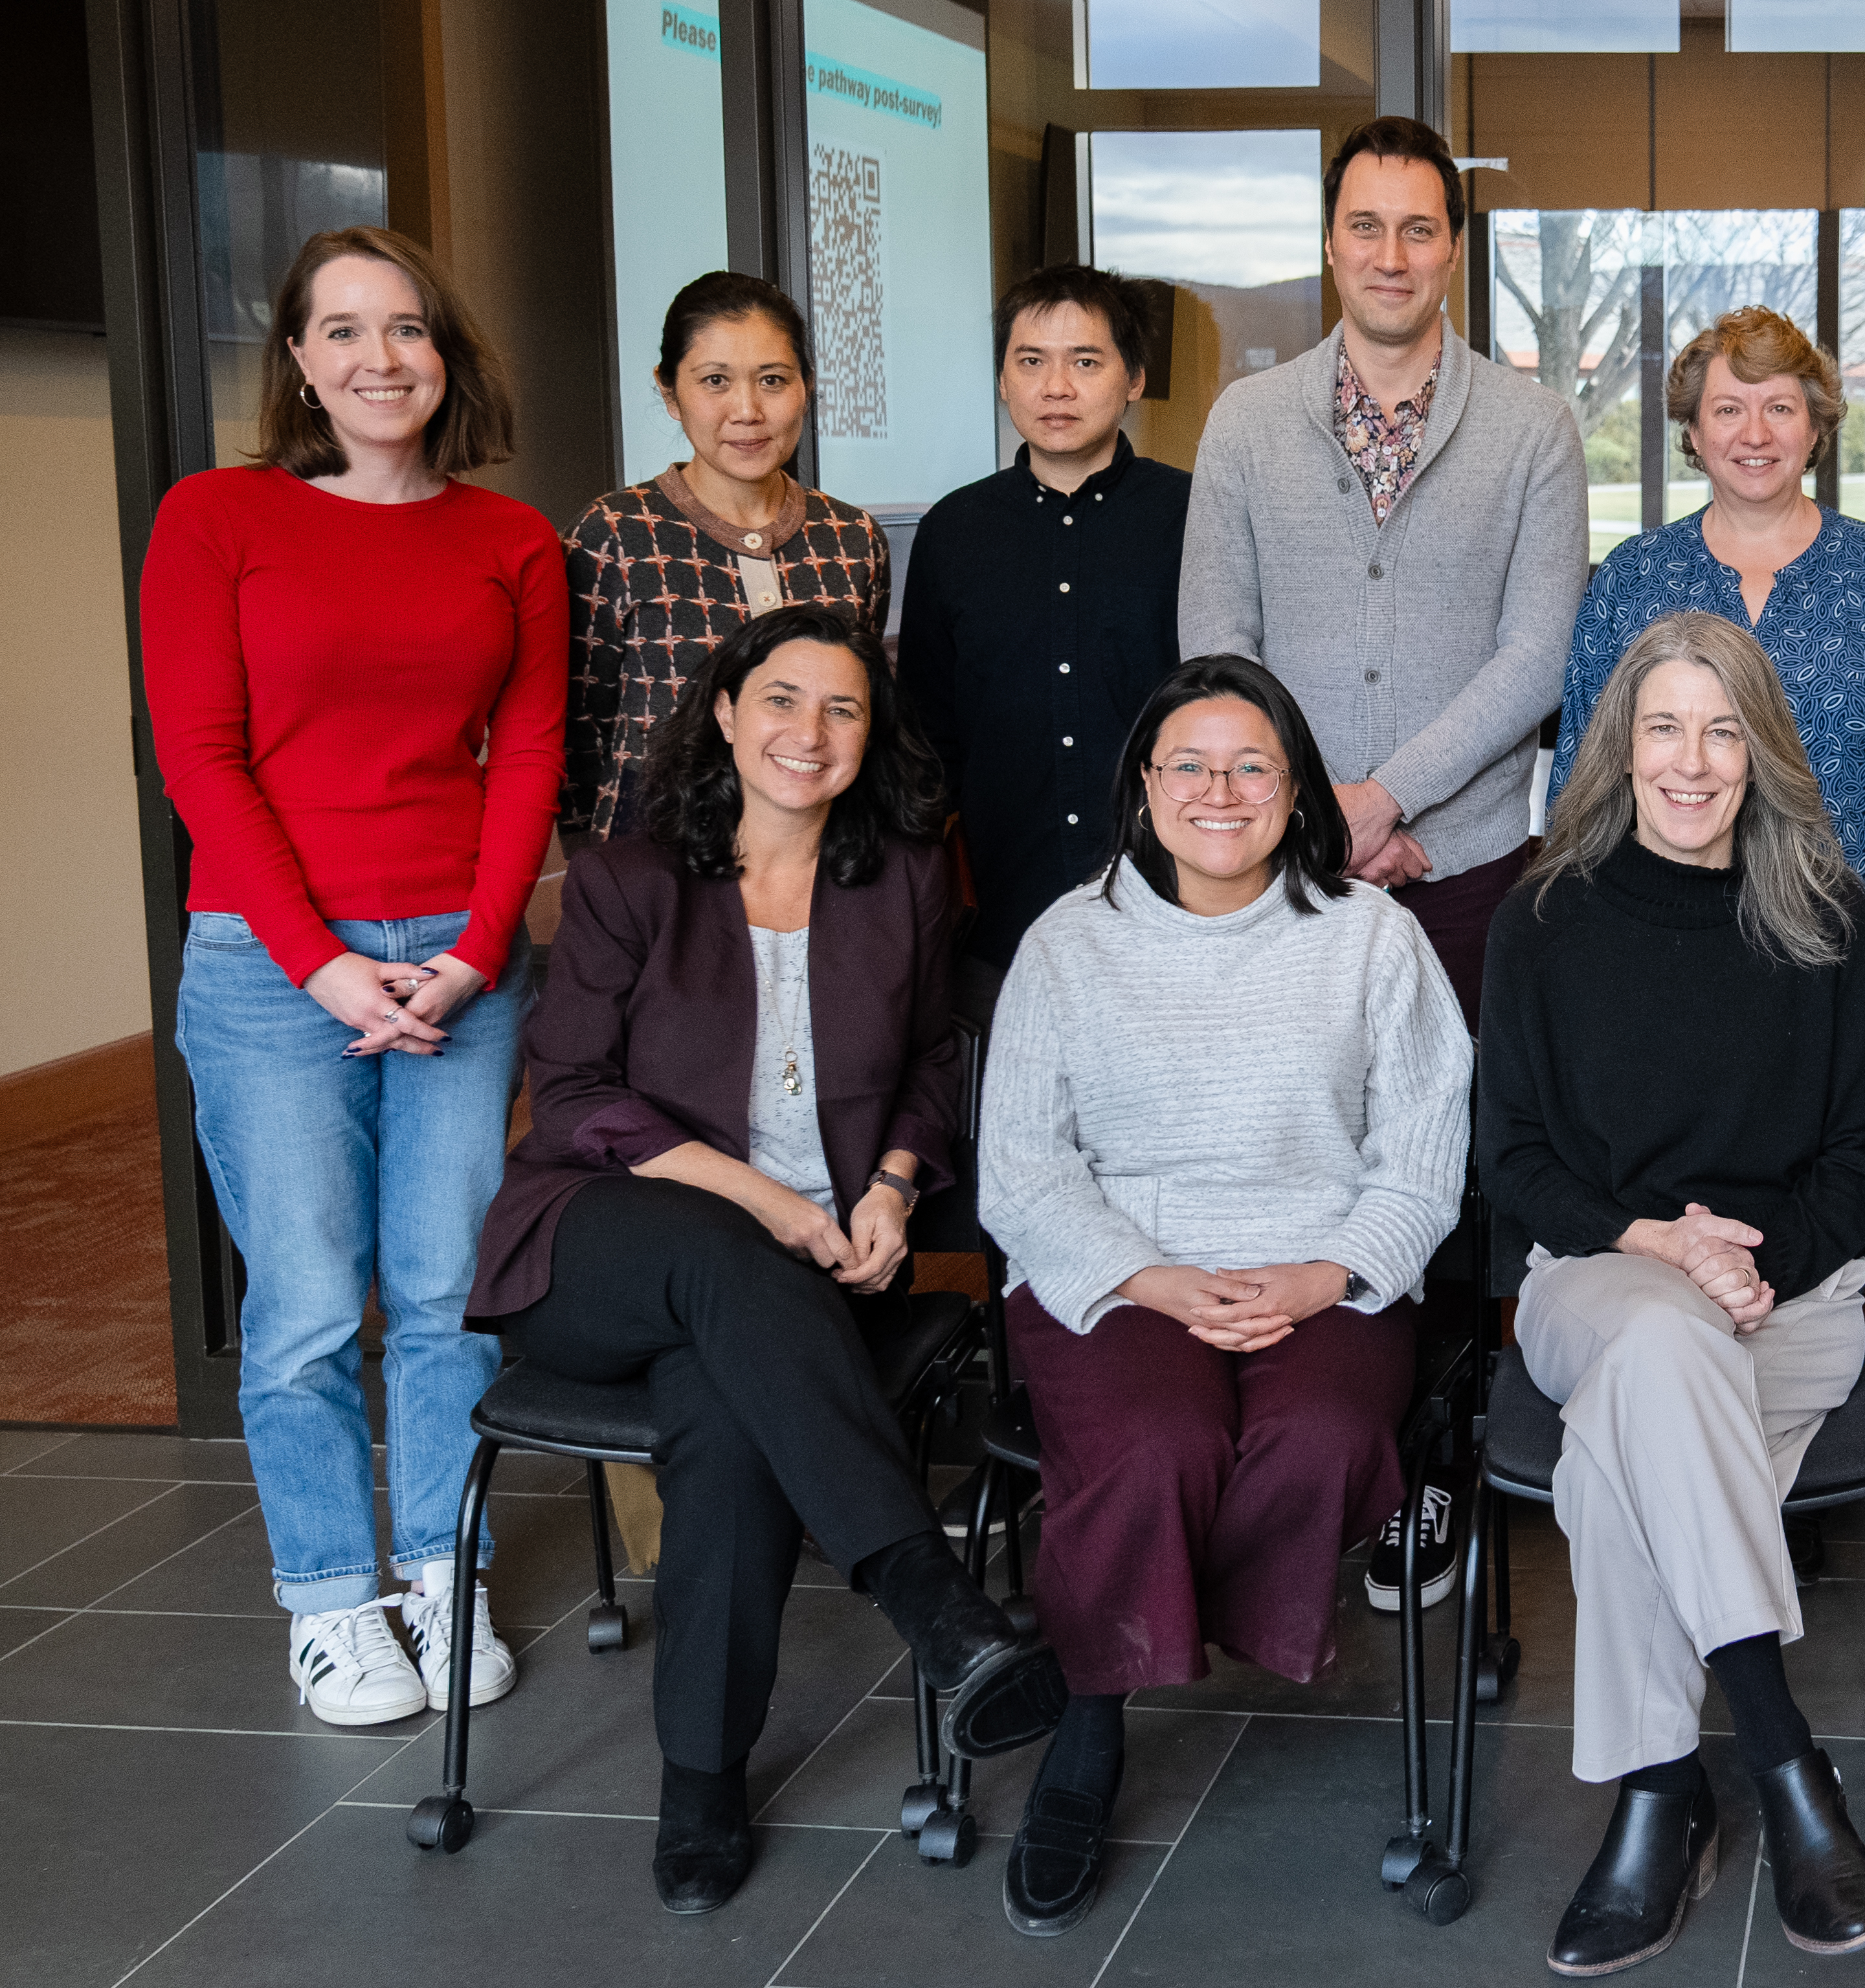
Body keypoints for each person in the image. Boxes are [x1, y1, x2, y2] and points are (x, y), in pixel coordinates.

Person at [471, 603, 1066, 1914]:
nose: (810, 732)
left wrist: (897, 1190)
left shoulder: (902, 875)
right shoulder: (631, 877)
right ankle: (928, 1593)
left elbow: (925, 1064)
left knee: (726, 1422)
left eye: (844, 708)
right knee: (718, 1259)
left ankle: (701, 1781)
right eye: (783, 700)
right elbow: (570, 1100)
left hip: (795, 1289)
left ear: (872, 736)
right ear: (727, 712)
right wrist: (766, 1200)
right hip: (599, 1244)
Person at [140, 227, 564, 1732]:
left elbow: (525, 755)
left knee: (447, 1293)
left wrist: (475, 947)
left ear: (447, 354)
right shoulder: (216, 516)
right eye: (344, 331)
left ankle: (443, 1570)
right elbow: (203, 758)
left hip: (459, 948)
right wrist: (321, 963)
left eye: (408, 329)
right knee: (313, 1301)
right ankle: (332, 1602)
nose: (380, 358)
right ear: (300, 362)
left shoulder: (508, 543)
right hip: (269, 965)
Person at [976, 653, 1471, 1937]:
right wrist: (1151, 1281)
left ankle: (1143, 1617)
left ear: (1295, 786)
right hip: (1121, 1267)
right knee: (1155, 1441)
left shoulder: (1374, 938)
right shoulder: (1067, 942)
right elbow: (1023, 1171)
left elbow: (1423, 1154)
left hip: (1326, 1263)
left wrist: (1330, 1274)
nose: (1220, 789)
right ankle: (1093, 1717)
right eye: (1187, 764)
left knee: (1321, 1436)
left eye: (1252, 764)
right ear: (1141, 789)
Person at [1478, 612, 1865, 1972]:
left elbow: (1862, 1156)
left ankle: (1659, 1802)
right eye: (1664, 725)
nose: (1691, 758)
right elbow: (1516, 1163)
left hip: (1790, 1303)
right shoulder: (1543, 913)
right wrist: (1657, 1245)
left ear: (1759, 749)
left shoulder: (1820, 911)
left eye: (1723, 729)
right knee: (1653, 1346)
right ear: (1621, 742)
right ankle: (1784, 1761)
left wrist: (1747, 1258)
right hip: (1593, 1280)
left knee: (1622, 1461)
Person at [1178, 116, 1585, 1027]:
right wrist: (1321, 812)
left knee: (1463, 1152)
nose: (1389, 255)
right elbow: (1215, 644)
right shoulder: (1245, 423)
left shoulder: (1535, 430)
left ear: (1452, 248)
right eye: (1365, 226)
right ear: (1329, 245)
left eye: (1417, 229)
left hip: (1465, 871)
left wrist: (1388, 799)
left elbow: (1539, 652)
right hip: (1277, 857)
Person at [1556, 306, 1865, 1025]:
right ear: (1692, 431)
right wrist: (1581, 944)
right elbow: (1579, 779)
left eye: (1779, 407)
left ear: (1814, 427)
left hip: (1845, 964)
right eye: (1727, 409)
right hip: (1655, 954)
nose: (1754, 434)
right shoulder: (1632, 580)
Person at [898, 264, 1192, 1003]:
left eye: (1084, 361)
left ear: (1134, 379)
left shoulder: (1193, 516)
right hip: (1003, 923)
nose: (1054, 387)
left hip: (1174, 910)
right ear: (1003, 379)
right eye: (1030, 361)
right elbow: (927, 736)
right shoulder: (952, 533)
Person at [564, 271, 888, 841]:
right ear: (669, 392)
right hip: (657, 867)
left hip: (819, 862)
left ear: (806, 386)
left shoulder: (852, 536)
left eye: (772, 380)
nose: (747, 410)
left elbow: (861, 713)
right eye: (715, 380)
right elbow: (583, 729)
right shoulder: (614, 533)